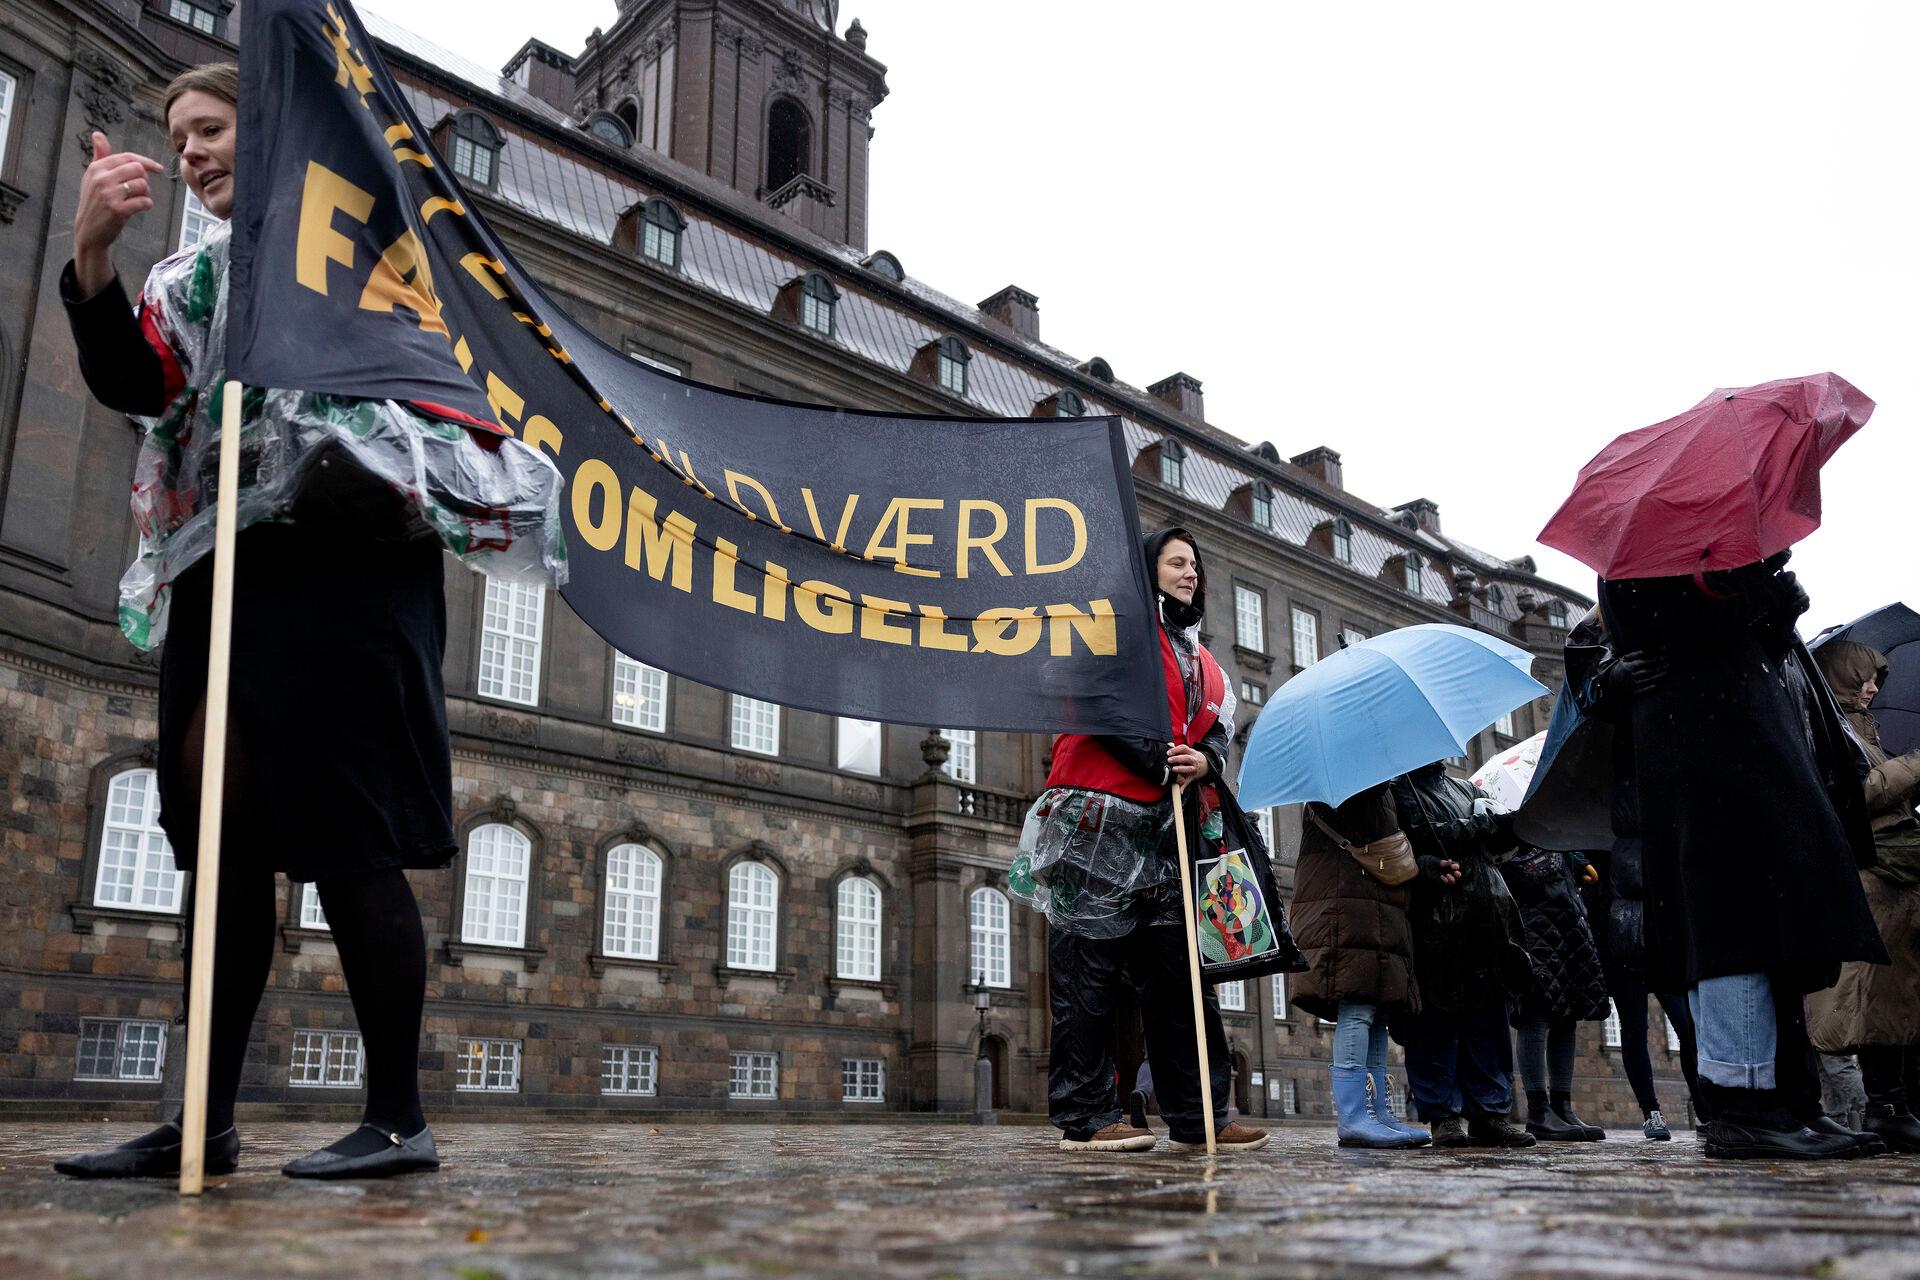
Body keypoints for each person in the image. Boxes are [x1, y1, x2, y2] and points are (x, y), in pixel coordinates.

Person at [53, 64, 564, 1180]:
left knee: (348, 836)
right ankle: (203, 1118)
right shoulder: (193, 277)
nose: (189, 151)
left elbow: (437, 391)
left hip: (347, 568)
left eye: (213, 128)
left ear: (273, 128)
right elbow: (138, 385)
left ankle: (395, 1115)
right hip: (224, 565)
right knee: (221, 845)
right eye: (178, 135)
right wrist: (92, 258)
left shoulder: (370, 256)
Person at [1597, 557, 1887, 1160]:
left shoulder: (1722, 559)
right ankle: (1743, 1105)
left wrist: (1776, 603)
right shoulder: (1645, 562)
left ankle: (1790, 1101)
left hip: (1754, 759)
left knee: (1779, 939)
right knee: (1733, 935)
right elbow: (1670, 634)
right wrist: (1756, 591)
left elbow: (1763, 652)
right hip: (1707, 766)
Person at [1012, 527, 1279, 1153]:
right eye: (1177, 562)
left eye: (1195, 564)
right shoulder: (1112, 630)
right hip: (1097, 824)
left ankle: (1202, 1113)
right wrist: (1159, 762)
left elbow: (1215, 732)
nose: (1191, 573)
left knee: (1182, 976)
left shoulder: (1204, 658)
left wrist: (1207, 762)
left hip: (1170, 835)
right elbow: (1091, 697)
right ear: (1148, 570)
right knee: (1088, 973)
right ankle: (1085, 1115)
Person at [1564, 607, 1700, 1140]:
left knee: (1686, 1026)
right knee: (1638, 1031)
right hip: (1624, 936)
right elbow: (1583, 668)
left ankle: (1705, 1106)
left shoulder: (1648, 807)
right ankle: (1651, 1113)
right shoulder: (1601, 819)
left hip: (1659, 929)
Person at [1808, 640, 1920, 1153]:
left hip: (1894, 875)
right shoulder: (1828, 725)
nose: (1874, 687)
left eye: (1878, 677)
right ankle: (1884, 1106)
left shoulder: (1865, 728)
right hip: (1869, 876)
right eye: (1864, 676)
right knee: (1864, 998)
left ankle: (1891, 1106)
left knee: (1891, 997)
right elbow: (1858, 794)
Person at [1394, 762, 1539, 1148]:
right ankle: (1443, 1115)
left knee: (1488, 1020)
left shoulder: (1466, 788)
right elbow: (1424, 837)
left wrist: (1506, 826)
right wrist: (1480, 828)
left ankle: (1490, 1113)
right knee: (1437, 1021)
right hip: (1436, 922)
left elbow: (1491, 841)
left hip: (1487, 916)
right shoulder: (1401, 789)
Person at [1291, 782, 1429, 1148]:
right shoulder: (1341, 785)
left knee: (1378, 1010)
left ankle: (1377, 1112)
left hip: (1371, 905)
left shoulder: (1376, 786)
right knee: (1358, 1008)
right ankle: (1354, 1116)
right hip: (1347, 907)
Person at [1500, 845, 1611, 1141]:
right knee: (1534, 1014)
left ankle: (1562, 1107)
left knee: (1568, 1012)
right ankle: (1539, 1111)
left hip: (1567, 919)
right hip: (1532, 922)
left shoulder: (1549, 814)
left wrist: (1574, 860)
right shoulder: (1508, 812)